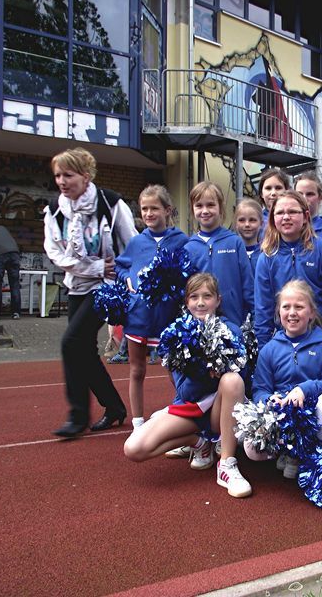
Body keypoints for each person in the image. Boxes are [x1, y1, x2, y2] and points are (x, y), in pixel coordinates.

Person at [123, 273, 251, 498]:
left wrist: (220, 369)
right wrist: (202, 369)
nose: (200, 303)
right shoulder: (177, 334)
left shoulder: (232, 330)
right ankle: (199, 442)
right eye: (194, 297)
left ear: (218, 300)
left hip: (219, 411)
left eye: (207, 296)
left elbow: (243, 380)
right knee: (133, 449)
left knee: (232, 380)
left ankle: (227, 464)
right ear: (187, 301)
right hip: (190, 410)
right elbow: (184, 392)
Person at [44, 147, 137, 438]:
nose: (61, 181)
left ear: (86, 177)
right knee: (83, 350)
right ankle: (114, 407)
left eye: (68, 175)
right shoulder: (55, 210)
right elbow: (54, 252)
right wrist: (94, 267)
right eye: (58, 175)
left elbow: (131, 244)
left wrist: (125, 277)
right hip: (78, 285)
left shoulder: (110, 203)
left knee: (70, 343)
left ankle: (77, 415)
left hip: (106, 288)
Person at [245, 280, 322, 478]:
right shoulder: (269, 349)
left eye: (299, 307)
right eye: (286, 307)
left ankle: (317, 454)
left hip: (313, 416)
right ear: (278, 312)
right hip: (283, 415)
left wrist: (304, 389)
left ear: (312, 313)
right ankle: (289, 451)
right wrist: (270, 400)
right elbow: (260, 389)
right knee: (251, 449)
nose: (292, 313)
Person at [114, 185, 188, 431]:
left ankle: (183, 416)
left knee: (174, 370)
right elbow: (120, 266)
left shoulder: (181, 240)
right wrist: (126, 277)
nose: (148, 213)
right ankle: (137, 424)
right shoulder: (136, 242)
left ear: (167, 210)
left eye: (154, 208)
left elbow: (188, 271)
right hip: (138, 317)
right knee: (137, 370)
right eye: (144, 209)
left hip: (167, 318)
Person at [253, 190, 322, 348]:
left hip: (319, 339)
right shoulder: (267, 257)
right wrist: (264, 346)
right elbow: (263, 307)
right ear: (273, 219)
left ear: (305, 216)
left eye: (292, 212)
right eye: (280, 213)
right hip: (282, 342)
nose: (286, 217)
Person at [184, 182, 254, 327]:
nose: (205, 211)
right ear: (192, 209)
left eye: (210, 205)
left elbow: (248, 286)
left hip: (233, 323)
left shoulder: (234, 242)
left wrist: (254, 320)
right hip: (199, 326)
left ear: (220, 207)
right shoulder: (188, 247)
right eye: (199, 206)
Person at [295, 171, 322, 241]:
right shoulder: (284, 228)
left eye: (310, 194)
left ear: (320, 198)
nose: (304, 198)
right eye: (299, 194)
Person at [232, 197, 263, 277]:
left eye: (252, 220)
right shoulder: (231, 253)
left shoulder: (266, 254)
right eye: (242, 220)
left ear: (261, 223)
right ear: (236, 223)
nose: (247, 224)